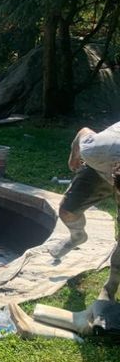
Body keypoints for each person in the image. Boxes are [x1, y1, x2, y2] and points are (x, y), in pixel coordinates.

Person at [51, 121, 120, 300]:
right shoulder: (97, 149)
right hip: (100, 166)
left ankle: (110, 287)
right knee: (67, 211)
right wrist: (75, 155)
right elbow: (83, 132)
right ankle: (77, 236)